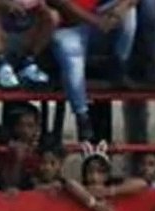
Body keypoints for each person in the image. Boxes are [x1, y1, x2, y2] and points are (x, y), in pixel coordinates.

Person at [49, 0, 139, 142]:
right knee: (72, 57)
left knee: (129, 14)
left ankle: (119, 65)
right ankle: (82, 116)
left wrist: (123, 6)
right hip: (68, 26)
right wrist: (95, 21)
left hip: (98, 24)